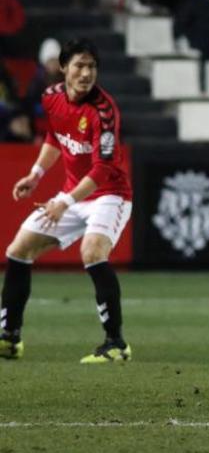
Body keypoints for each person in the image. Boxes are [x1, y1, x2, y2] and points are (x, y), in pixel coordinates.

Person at [0, 39, 132, 363]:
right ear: (63, 68)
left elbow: (103, 168)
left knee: (92, 251)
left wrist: (65, 201)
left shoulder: (104, 110)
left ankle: (116, 343)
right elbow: (55, 136)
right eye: (79, 65)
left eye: (91, 67)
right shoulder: (50, 97)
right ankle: (9, 337)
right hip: (73, 194)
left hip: (109, 195)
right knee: (18, 250)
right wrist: (35, 175)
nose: (86, 73)